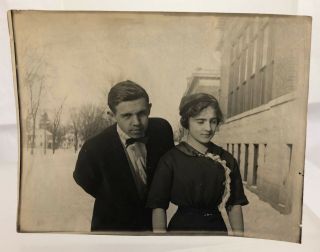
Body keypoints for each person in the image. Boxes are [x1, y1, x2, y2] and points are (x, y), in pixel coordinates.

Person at [73, 80, 174, 231]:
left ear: (150, 108)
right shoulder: (94, 148)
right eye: (126, 116)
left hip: (152, 227)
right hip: (112, 228)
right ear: (111, 116)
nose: (136, 122)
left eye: (142, 113)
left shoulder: (162, 130)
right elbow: (84, 179)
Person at [146, 93, 249, 235]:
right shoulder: (170, 160)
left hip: (216, 232)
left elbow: (234, 204)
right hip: (181, 233)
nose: (208, 128)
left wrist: (240, 241)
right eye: (200, 122)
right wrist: (162, 243)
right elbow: (158, 207)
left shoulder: (226, 159)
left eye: (213, 121)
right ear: (186, 121)